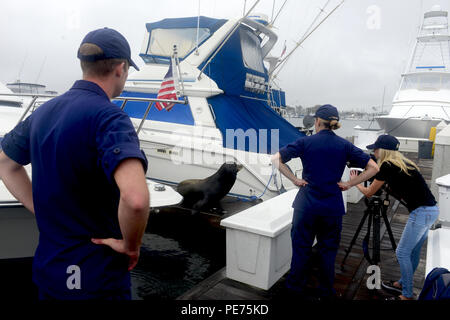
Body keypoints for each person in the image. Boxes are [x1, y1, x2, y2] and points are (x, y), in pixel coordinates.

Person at [0, 28, 150, 300]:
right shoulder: (110, 118)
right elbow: (136, 199)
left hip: (49, 268)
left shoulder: (43, 112)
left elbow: (5, 162)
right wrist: (131, 245)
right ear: (121, 68)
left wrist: (38, 206)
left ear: (85, 65)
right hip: (95, 275)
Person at [271, 104, 379, 300]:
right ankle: (325, 292)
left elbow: (276, 159)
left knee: (301, 249)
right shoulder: (345, 145)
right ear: (334, 124)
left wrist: (294, 180)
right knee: (327, 252)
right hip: (331, 207)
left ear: (317, 122)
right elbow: (373, 168)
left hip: (306, 206)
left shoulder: (305, 142)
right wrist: (349, 183)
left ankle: (295, 289)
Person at [350, 134, 439, 300]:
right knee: (412, 252)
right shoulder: (403, 164)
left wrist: (356, 182)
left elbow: (370, 192)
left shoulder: (388, 167)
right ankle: (402, 284)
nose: (374, 153)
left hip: (421, 213)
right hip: (431, 211)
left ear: (382, 151)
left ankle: (406, 295)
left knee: (402, 253)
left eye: (375, 149)